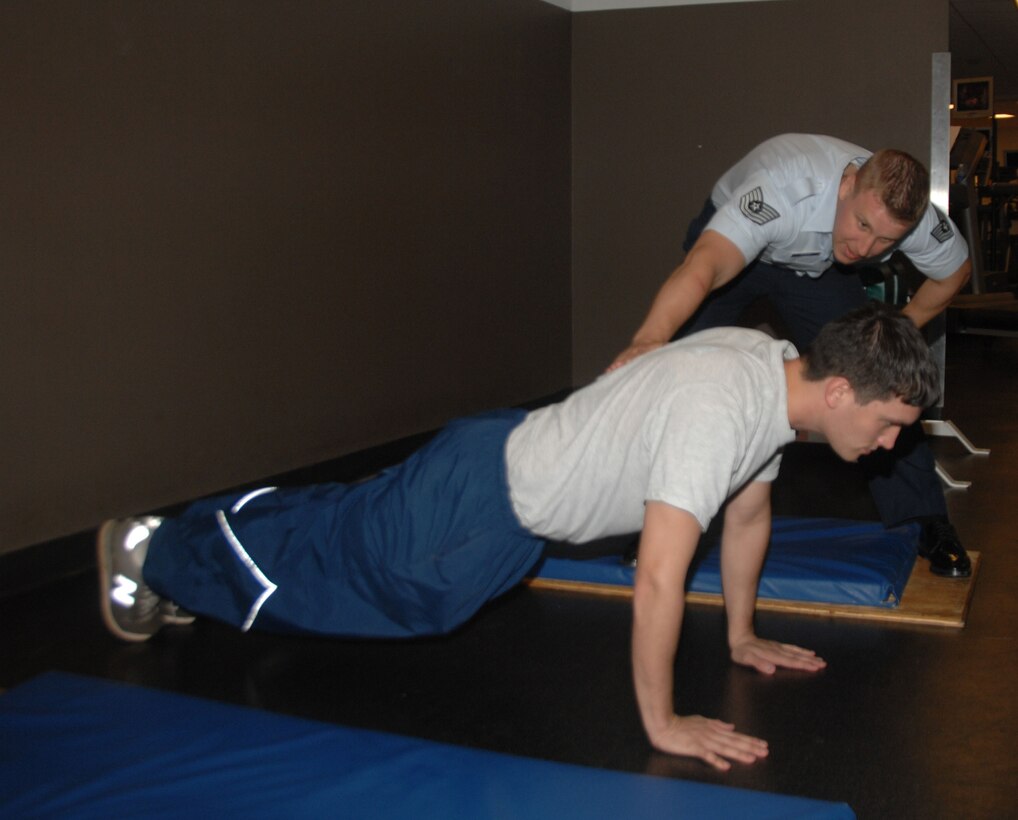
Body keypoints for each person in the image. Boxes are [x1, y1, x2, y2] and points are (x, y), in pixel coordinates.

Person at [99, 302, 939, 771]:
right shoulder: (721, 414)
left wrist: (745, 633)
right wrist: (663, 723)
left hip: (507, 496)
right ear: (837, 391)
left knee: (352, 543)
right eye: (889, 421)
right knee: (337, 579)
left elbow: (749, 515)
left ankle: (186, 558)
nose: (891, 442)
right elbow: (657, 576)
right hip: (479, 499)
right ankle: (152, 551)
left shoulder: (770, 375)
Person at [609, 133, 972, 578]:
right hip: (740, 250)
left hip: (816, 268)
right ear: (848, 184)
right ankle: (650, 521)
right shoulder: (783, 189)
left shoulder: (909, 220)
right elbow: (703, 268)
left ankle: (925, 518)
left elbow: (955, 271)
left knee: (878, 378)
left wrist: (900, 329)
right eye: (861, 224)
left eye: (885, 241)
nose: (867, 249)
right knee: (677, 375)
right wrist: (652, 337)